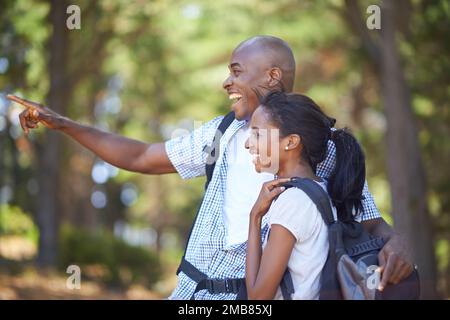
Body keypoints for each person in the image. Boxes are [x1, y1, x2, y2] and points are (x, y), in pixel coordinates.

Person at [7, 35, 413, 299]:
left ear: (273, 76)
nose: (226, 82)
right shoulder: (220, 134)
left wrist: (397, 243)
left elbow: (371, 223)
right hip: (190, 295)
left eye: (236, 71)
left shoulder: (319, 148)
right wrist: (63, 124)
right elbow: (141, 157)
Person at [245, 91, 365, 299]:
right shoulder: (323, 189)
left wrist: (254, 217)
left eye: (257, 134)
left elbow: (257, 299)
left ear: (290, 142)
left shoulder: (293, 201)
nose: (248, 144)